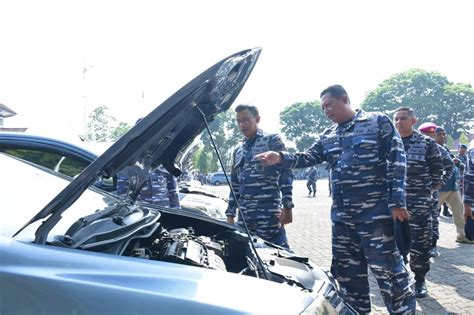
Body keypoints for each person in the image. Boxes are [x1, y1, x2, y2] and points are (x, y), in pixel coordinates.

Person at [255, 85, 415, 314]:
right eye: (323, 108)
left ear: (345, 99)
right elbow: (307, 157)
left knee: (390, 274)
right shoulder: (328, 136)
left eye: (329, 104)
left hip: (376, 218)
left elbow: (397, 159)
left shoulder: (376, 121)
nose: (326, 111)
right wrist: (279, 157)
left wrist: (397, 202)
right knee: (348, 277)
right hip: (343, 222)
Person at [226, 104, 294, 249]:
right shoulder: (238, 150)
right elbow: (235, 185)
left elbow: (286, 172)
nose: (242, 125)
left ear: (257, 119)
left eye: (246, 120)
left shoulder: (271, 140)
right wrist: (230, 213)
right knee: (247, 253)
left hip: (268, 214)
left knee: (277, 253)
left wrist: (287, 206)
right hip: (245, 216)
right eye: (238, 121)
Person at [394, 108, 444, 298]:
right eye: (396, 119)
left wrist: (427, 191)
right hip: (393, 206)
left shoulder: (426, 143)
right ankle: (400, 277)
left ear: (414, 120)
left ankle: (420, 279)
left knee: (420, 244)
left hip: (419, 205)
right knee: (394, 245)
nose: (399, 122)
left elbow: (438, 170)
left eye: (403, 118)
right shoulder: (389, 143)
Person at [418, 122, 455, 257]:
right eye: (425, 134)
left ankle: (432, 246)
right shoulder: (411, 145)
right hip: (411, 193)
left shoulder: (440, 149)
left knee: (432, 219)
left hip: (430, 193)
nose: (428, 137)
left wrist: (441, 182)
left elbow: (450, 167)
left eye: (431, 135)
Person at [434, 127, 472, 244]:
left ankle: (462, 235)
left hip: (452, 186)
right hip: (441, 187)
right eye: (439, 134)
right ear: (433, 135)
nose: (443, 136)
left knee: (459, 211)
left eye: (444, 134)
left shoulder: (444, 148)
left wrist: (454, 161)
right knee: (432, 213)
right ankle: (430, 242)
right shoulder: (431, 148)